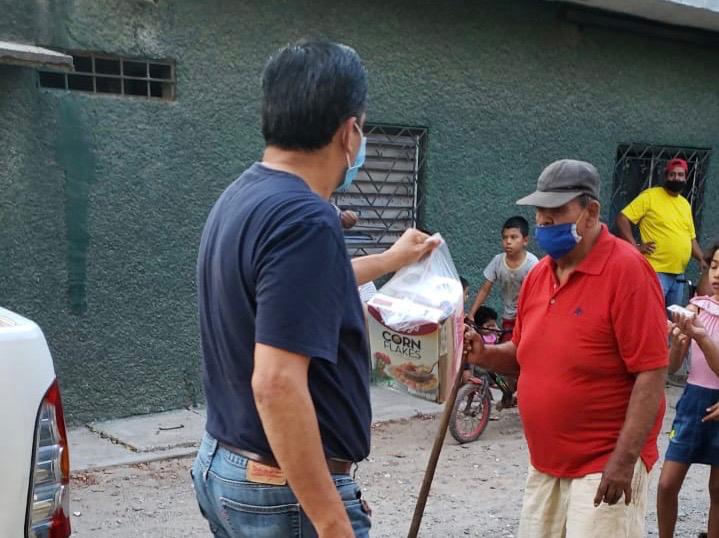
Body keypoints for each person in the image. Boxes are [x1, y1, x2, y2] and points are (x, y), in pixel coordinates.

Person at [191, 40, 438, 538]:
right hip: (281, 491)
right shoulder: (305, 219)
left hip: (228, 463)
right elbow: (276, 382)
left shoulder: (245, 196)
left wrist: (392, 260)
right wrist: (331, 522)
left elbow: (295, 297)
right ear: (350, 132)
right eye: (362, 127)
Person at [463, 159, 668, 537]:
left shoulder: (629, 271)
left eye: (556, 212)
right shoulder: (540, 274)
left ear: (590, 212)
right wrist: (483, 354)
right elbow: (524, 353)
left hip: (603, 461)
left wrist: (623, 461)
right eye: (540, 211)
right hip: (546, 462)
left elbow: (651, 372)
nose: (543, 222)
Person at [656, 241, 719, 538]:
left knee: (718, 490)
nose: (717, 274)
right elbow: (671, 367)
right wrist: (678, 345)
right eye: (715, 266)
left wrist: (703, 339)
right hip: (694, 400)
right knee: (667, 483)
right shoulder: (696, 308)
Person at [615, 158, 707, 310]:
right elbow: (622, 218)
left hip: (678, 276)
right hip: (655, 271)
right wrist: (634, 247)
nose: (676, 178)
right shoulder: (650, 196)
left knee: (673, 322)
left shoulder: (684, 204)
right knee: (649, 315)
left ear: (685, 178)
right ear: (666, 176)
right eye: (672, 174)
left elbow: (691, 239)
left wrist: (702, 259)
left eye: (680, 175)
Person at [468, 216, 539, 342]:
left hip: (528, 317)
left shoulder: (533, 264)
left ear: (525, 240)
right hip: (508, 317)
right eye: (505, 237)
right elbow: (485, 289)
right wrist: (471, 314)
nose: (508, 241)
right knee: (507, 349)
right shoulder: (497, 261)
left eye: (513, 237)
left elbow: (537, 294)